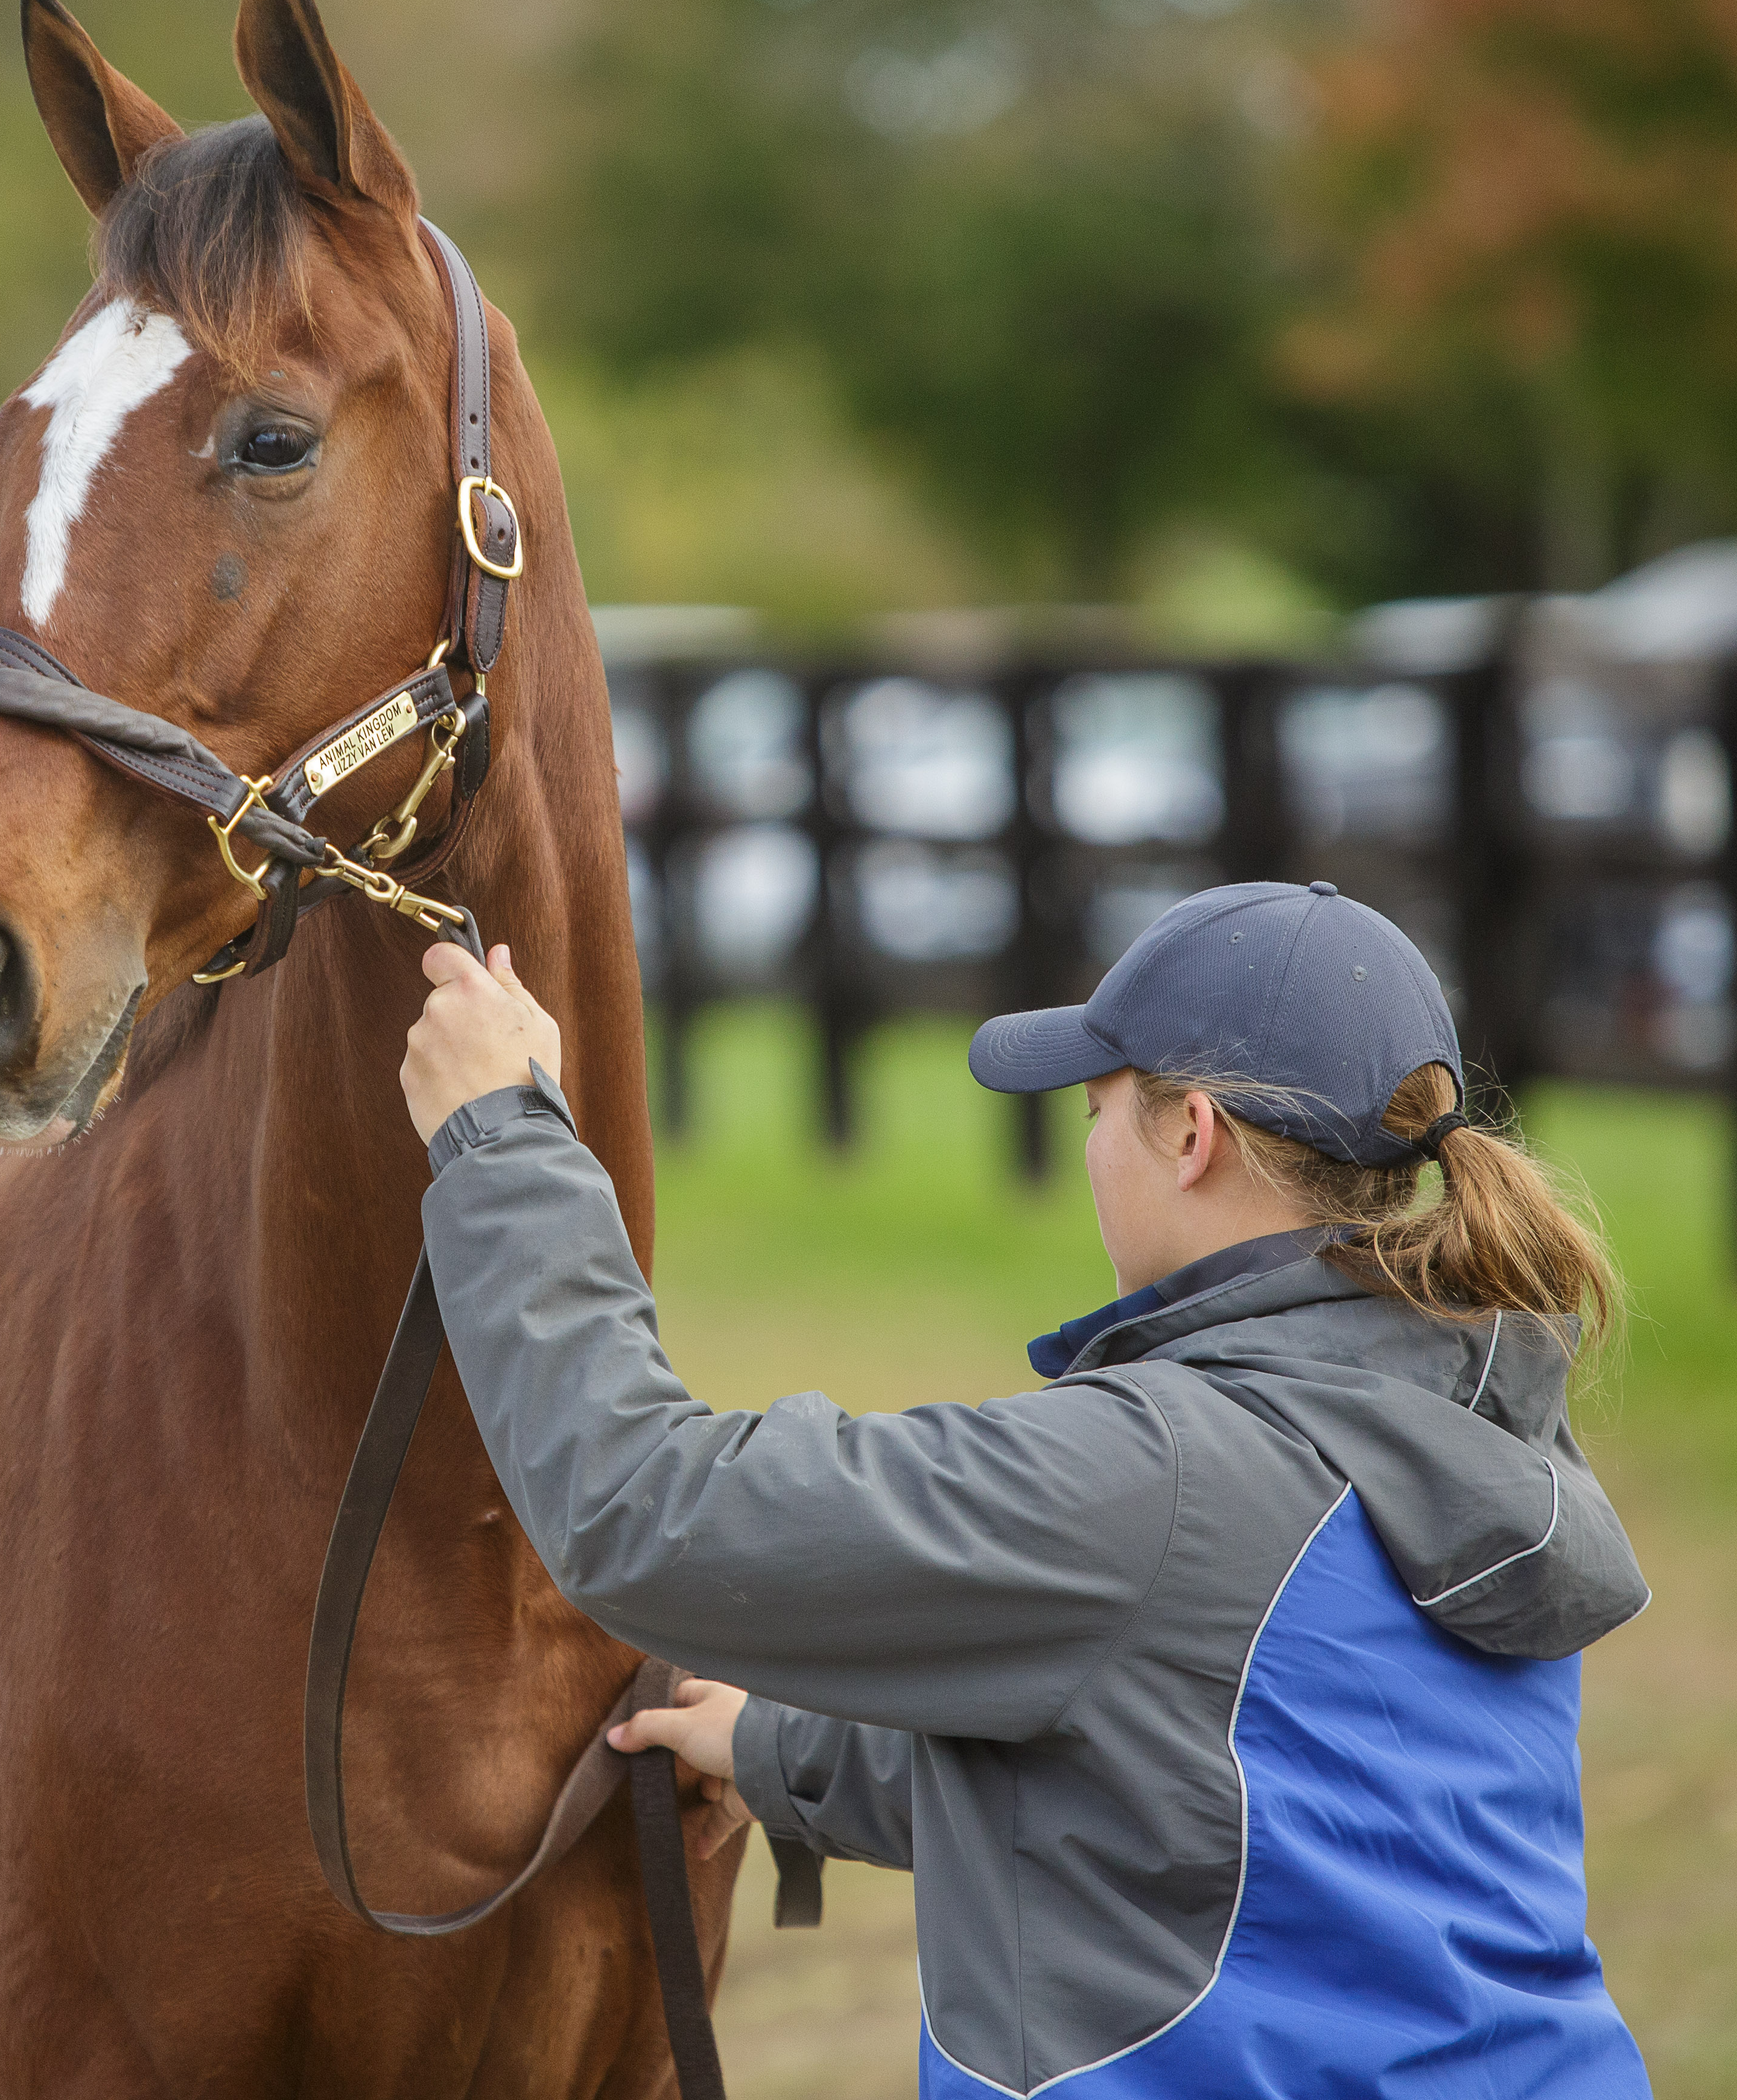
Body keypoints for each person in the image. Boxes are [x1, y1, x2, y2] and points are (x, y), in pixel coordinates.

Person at [400, 880, 1652, 2098]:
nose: (1094, 1145)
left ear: (1191, 1133)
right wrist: (796, 1748)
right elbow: (1216, 1793)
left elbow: (645, 1512)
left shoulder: (1156, 1474)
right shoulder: (1466, 1421)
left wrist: (501, 1139)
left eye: (1099, 1110)